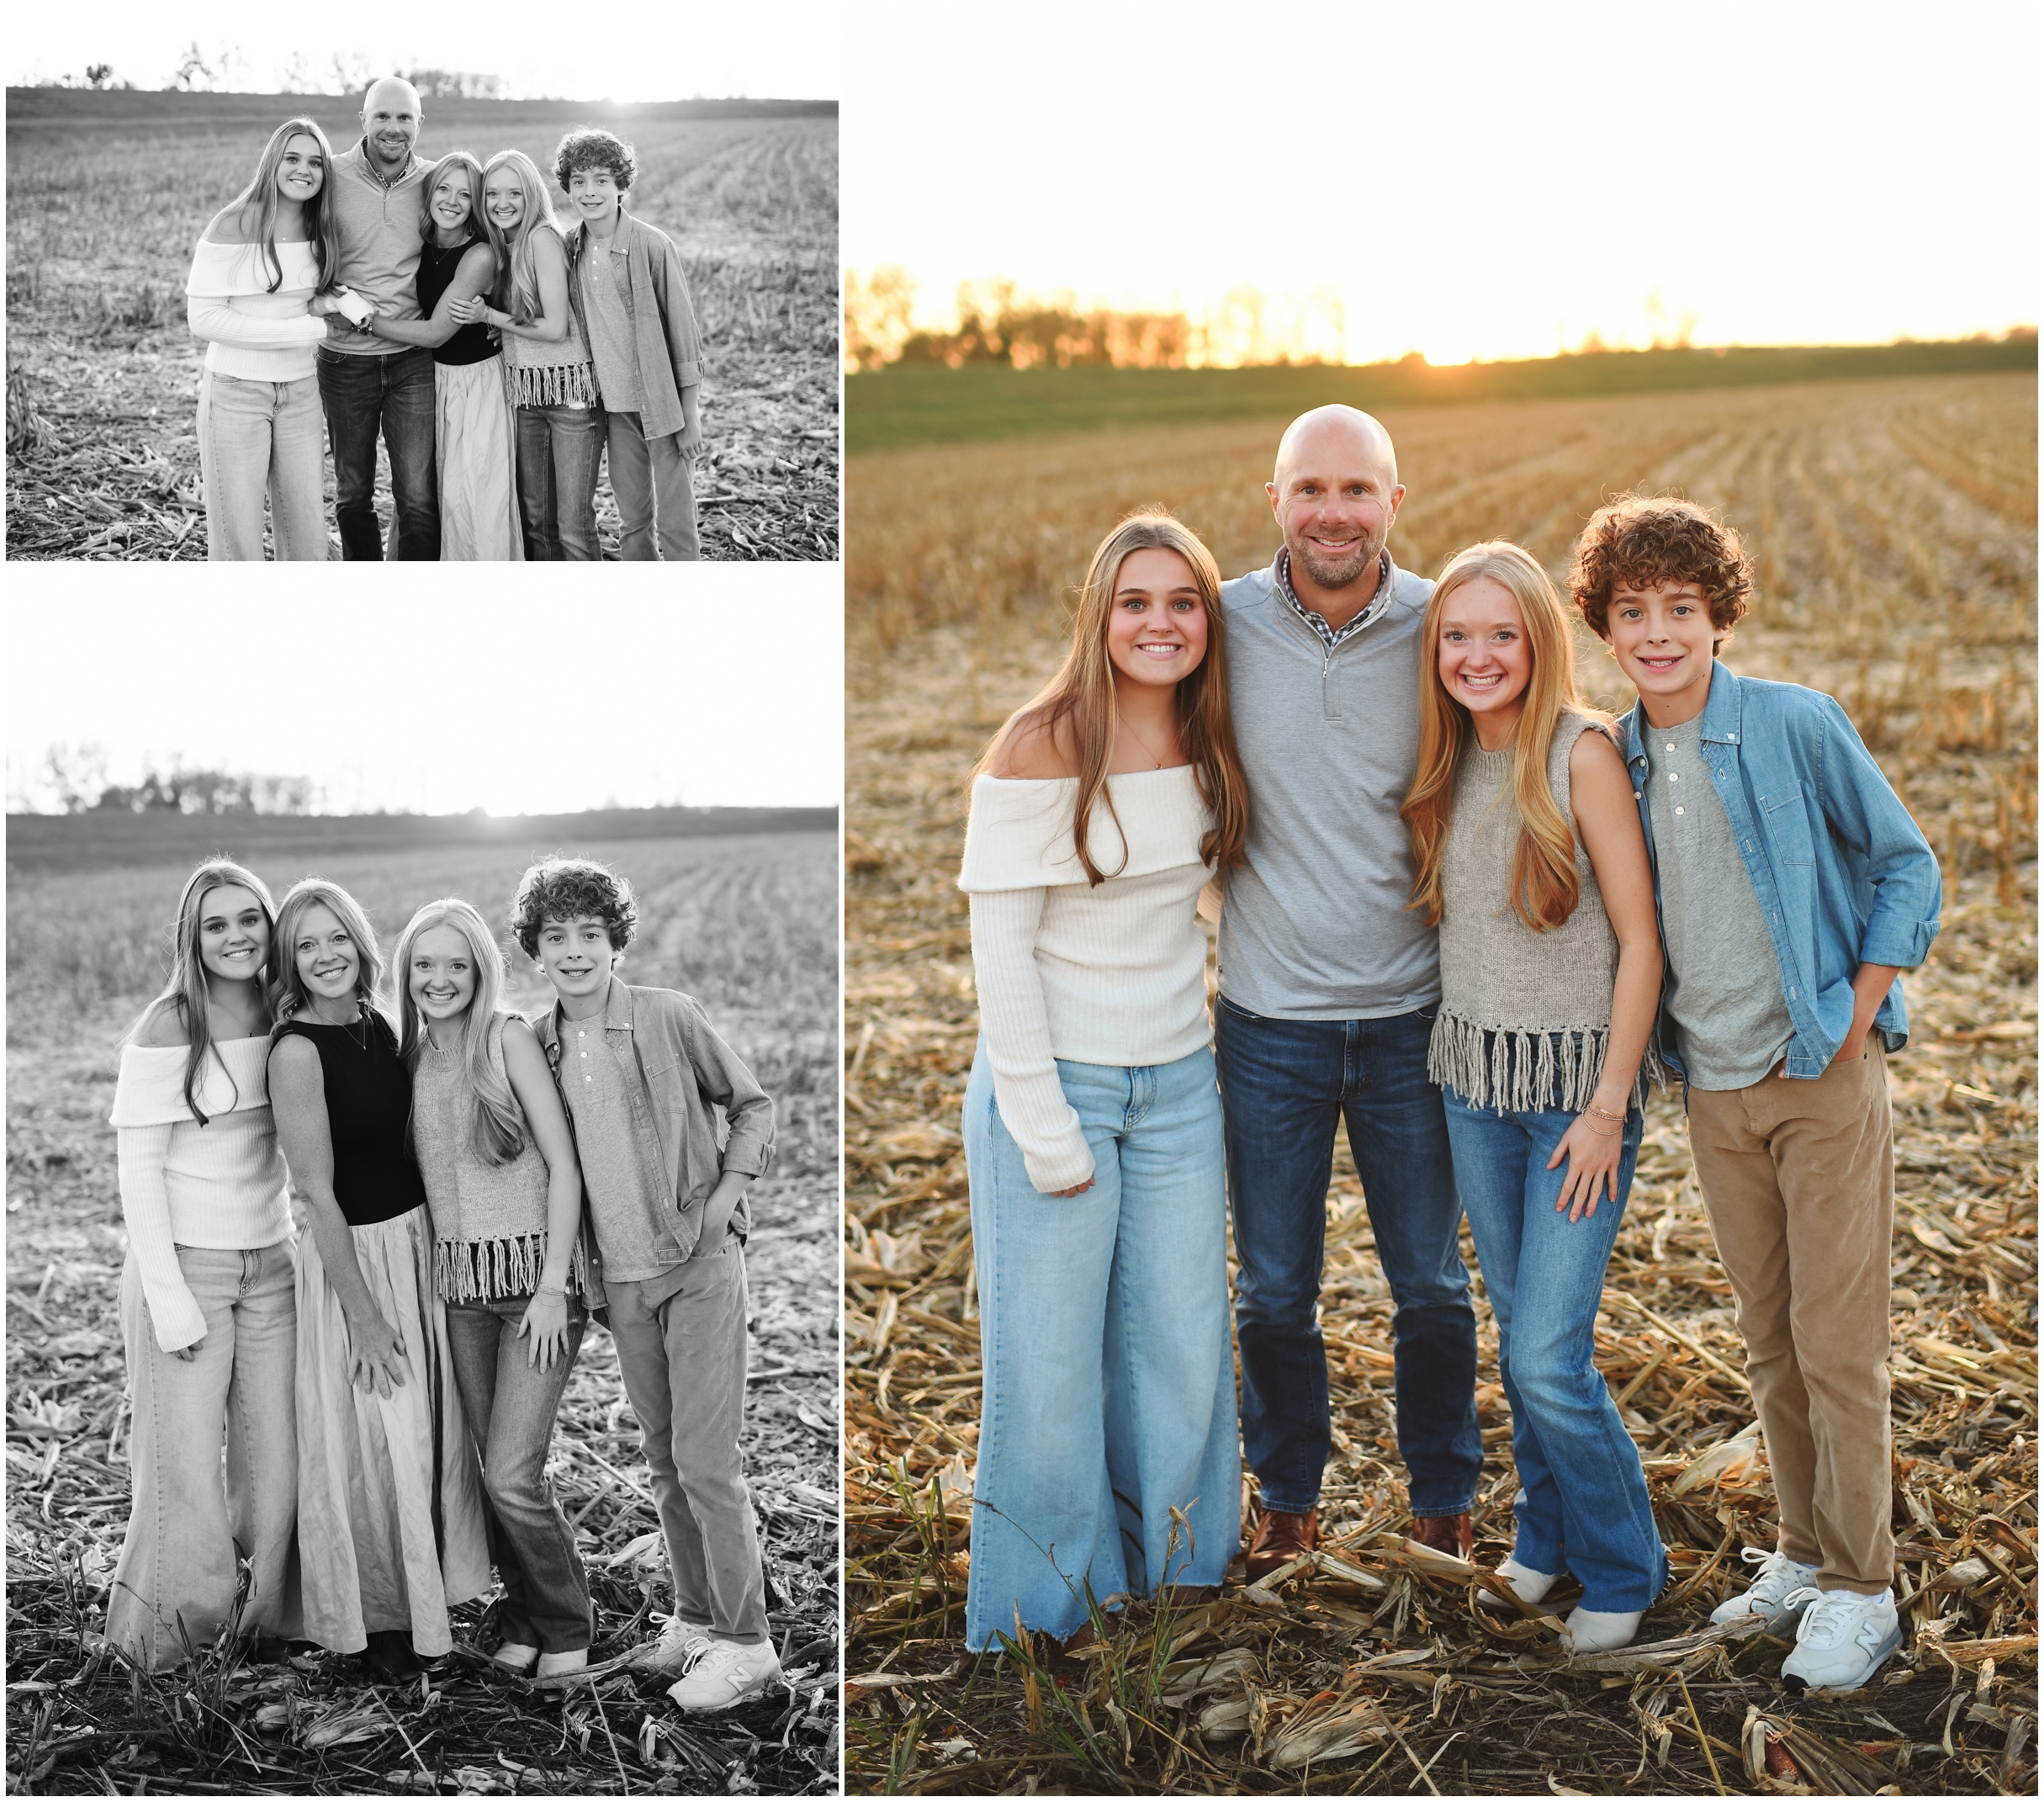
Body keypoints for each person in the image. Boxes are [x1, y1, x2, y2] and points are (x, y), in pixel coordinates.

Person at [1570, 494, 1941, 1691]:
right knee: (1771, 1343)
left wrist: (1853, 1004)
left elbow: (1905, 861)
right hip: (1714, 1088)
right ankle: (1797, 1555)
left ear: (1717, 616)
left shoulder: (1792, 724)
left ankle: (1862, 1588)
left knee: (1837, 1346)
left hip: (1820, 1079)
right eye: (1632, 612)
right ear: (1606, 628)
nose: (1657, 632)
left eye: (1680, 607)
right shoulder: (1614, 756)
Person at [957, 511, 1249, 1651]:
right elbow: (1001, 951)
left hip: (1179, 1082)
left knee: (1180, 1337)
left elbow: (1212, 897)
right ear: (1100, 613)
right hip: (1057, 1083)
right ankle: (1044, 1613)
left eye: (1183, 602)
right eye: (1137, 601)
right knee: (1046, 1359)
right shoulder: (1040, 743)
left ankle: (1178, 1565)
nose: (1160, 622)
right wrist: (1042, 1125)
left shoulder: (1212, 739)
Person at [1215, 405, 1480, 1579]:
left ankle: (1441, 1498)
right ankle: (1285, 1498)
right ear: (1273, 498)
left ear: (1394, 501)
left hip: (1411, 1020)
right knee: (1273, 1289)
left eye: (1357, 490)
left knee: (1427, 1281)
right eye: (1310, 488)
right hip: (1265, 1022)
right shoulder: (1214, 622)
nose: (1333, 512)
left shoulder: (1442, 627)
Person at [1401, 542, 1666, 1653]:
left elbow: (1643, 943)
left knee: (1548, 1356)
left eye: (1498, 633)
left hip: (1572, 1102)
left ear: (1538, 641)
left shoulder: (1581, 754)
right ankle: (1545, 1539)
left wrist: (1607, 1106)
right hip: (1472, 1088)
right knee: (1518, 1337)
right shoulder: (1441, 760)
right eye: (1455, 636)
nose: (1475, 654)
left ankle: (1623, 1563)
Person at [513, 857, 781, 1710]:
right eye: (556, 937)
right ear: (535, 950)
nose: (575, 951)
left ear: (615, 942)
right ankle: (697, 1621)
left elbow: (754, 1104)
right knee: (665, 1464)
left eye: (590, 934)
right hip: (619, 1282)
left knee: (708, 1463)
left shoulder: (668, 1018)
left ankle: (749, 1646)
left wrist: (726, 1198)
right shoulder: (538, 1043)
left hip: (696, 1267)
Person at [266, 878, 489, 1678]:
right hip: (354, 1264)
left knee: (421, 1437)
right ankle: (376, 1622)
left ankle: (425, 1595)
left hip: (417, 1249)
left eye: (336, 939)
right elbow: (314, 1192)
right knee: (370, 1443)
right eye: (305, 945)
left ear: (361, 944)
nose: (325, 957)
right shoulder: (295, 1050)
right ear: (290, 961)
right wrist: (361, 1315)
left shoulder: (378, 1024)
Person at [107, 861, 299, 1669]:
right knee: (182, 1467)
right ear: (193, 938)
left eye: (249, 919)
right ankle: (161, 1647)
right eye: (216, 924)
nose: (236, 937)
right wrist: (170, 1297)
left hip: (273, 1265)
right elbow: (138, 1174)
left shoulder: (286, 1011)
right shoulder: (165, 1027)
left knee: (278, 1457)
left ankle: (266, 1627)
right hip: (185, 1267)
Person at [393, 898, 590, 1677]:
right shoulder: (408, 1058)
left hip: (537, 1288)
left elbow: (565, 1164)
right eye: (424, 964)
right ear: (406, 972)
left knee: (513, 1473)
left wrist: (550, 1289)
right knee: (488, 1470)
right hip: (462, 1291)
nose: (439, 980)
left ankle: (569, 1625)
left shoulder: (505, 1039)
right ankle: (523, 1618)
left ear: (480, 971)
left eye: (456, 965)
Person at [184, 116, 358, 561]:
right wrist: (314, 329)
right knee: (237, 538)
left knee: (307, 539)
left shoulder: (321, 230)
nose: (305, 170)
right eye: (293, 158)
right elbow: (203, 319)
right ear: (272, 163)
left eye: (316, 162)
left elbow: (296, 299)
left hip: (301, 391)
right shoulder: (232, 224)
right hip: (235, 393)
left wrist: (330, 305)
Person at [354, 151, 522, 560]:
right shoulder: (423, 245)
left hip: (476, 385)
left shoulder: (478, 255)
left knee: (473, 493)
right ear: (429, 195)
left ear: (476, 203)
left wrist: (364, 322)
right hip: (435, 381)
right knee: (428, 495)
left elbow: (434, 333)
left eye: (465, 194)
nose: (452, 200)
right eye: (444, 189)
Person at [556, 129, 707, 560]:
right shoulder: (570, 248)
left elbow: (683, 333)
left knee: (676, 520)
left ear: (622, 185)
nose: (590, 191)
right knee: (633, 519)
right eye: (579, 180)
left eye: (602, 179)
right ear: (567, 187)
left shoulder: (653, 246)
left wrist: (691, 413)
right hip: (616, 408)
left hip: (664, 406)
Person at [449, 151, 601, 560]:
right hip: (528, 396)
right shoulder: (505, 244)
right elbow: (525, 318)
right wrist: (504, 328)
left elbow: (555, 328)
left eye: (514, 192)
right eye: (494, 193)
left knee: (572, 526)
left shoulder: (540, 238)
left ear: (531, 194)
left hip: (568, 396)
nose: (503, 202)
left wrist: (490, 316)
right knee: (535, 519)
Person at [318, 77, 438, 560]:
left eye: (404, 117)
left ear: (419, 123)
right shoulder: (329, 175)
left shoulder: (434, 180)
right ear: (363, 119)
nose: (393, 127)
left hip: (413, 360)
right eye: (382, 116)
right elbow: (297, 248)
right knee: (353, 495)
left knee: (418, 498)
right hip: (345, 363)